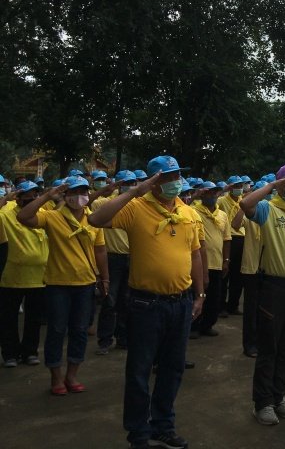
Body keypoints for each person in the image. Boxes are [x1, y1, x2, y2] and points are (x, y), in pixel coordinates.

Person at [88, 155, 204, 449]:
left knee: (172, 369)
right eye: (168, 177)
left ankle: (163, 425)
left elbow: (195, 254)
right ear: (154, 182)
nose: (175, 182)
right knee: (139, 372)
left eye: (178, 175)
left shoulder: (187, 212)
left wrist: (200, 294)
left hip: (180, 302)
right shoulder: (136, 208)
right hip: (146, 304)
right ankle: (138, 433)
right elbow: (95, 219)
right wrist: (134, 191)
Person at [17, 175, 109, 395]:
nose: (80, 196)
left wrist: (105, 278)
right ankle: (56, 377)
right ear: (65, 195)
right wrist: (48, 195)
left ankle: (72, 375)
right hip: (58, 284)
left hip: (86, 284)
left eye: (84, 191)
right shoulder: (52, 217)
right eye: (74, 192)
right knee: (57, 331)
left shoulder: (93, 220)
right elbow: (24, 216)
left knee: (79, 331)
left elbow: (100, 250)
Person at [240, 164, 285, 426]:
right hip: (274, 288)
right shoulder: (268, 209)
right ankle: (263, 403)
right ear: (281, 187)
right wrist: (271, 186)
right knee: (269, 348)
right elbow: (245, 205)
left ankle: (279, 396)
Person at [0, 181, 48, 367]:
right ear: (17, 197)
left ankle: (30, 352)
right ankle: (10, 354)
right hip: (11, 276)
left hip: (38, 276)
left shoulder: (43, 215)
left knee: (33, 319)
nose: (32, 199)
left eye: (36, 195)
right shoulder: (5, 215)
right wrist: (5, 199)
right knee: (8, 318)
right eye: (27, 196)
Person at [93, 170, 137, 355]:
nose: (129, 185)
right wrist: (108, 189)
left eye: (133, 182)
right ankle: (105, 340)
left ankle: (123, 337)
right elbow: (90, 205)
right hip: (112, 258)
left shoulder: (137, 206)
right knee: (109, 300)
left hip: (132, 256)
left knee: (127, 301)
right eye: (125, 183)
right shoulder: (104, 203)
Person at [190, 181, 231, 337]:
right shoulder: (194, 211)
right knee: (198, 295)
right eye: (210, 192)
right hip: (199, 262)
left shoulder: (222, 215)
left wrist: (226, 260)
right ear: (203, 194)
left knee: (214, 297)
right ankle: (194, 326)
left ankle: (207, 325)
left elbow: (227, 239)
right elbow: (183, 206)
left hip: (217, 261)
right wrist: (195, 195)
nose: (213, 195)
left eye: (216, 192)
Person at [232, 181, 267, 357]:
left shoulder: (270, 212)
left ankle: (261, 341)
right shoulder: (251, 213)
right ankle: (250, 344)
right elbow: (236, 225)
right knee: (251, 309)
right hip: (251, 267)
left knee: (265, 309)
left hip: (268, 268)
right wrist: (244, 204)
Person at [219, 175, 246, 317]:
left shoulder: (244, 202)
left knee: (238, 275)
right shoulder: (222, 200)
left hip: (242, 238)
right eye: (235, 186)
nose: (238, 189)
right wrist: (224, 190)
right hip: (229, 238)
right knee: (225, 274)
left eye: (240, 186)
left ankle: (233, 305)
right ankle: (221, 306)